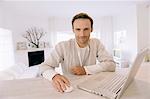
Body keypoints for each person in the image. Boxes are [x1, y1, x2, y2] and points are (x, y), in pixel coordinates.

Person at [39, 13, 116, 93]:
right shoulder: (62, 46)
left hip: (92, 86)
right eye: (78, 29)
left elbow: (111, 65)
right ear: (73, 30)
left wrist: (86, 70)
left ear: (91, 29)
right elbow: (44, 67)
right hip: (70, 87)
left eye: (86, 29)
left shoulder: (96, 43)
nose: (82, 34)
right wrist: (54, 76)